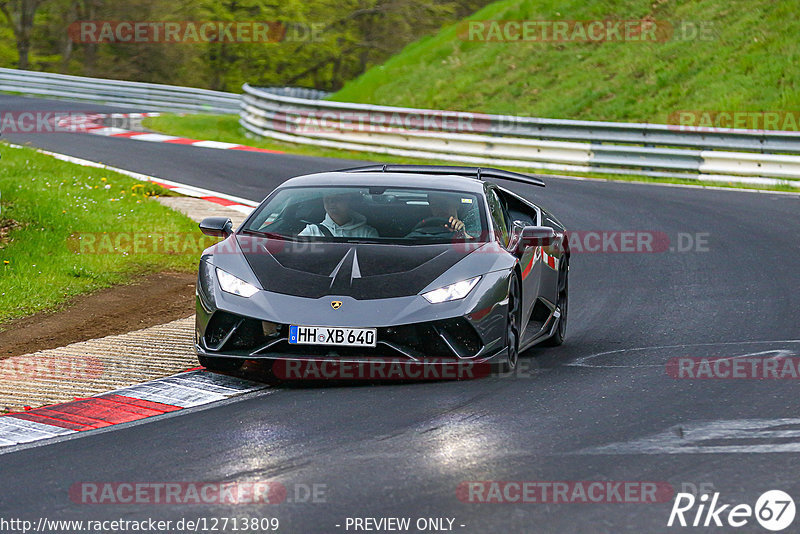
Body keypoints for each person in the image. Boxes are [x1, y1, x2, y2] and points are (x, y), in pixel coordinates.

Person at [298, 191, 379, 238]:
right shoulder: (312, 231)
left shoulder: (367, 233)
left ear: (348, 201)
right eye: (327, 199)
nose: (331, 203)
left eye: (337, 199)